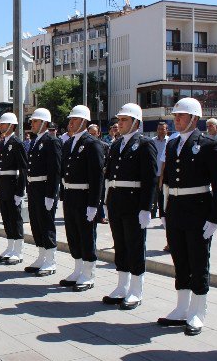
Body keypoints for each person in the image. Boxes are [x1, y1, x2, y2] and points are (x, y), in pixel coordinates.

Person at [157, 97, 217, 336]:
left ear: (194, 119)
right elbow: (165, 180)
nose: (176, 120)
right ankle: (181, 307)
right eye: (175, 116)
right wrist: (163, 210)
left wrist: (216, 217)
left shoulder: (209, 144)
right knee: (180, 259)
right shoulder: (172, 143)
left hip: (198, 210)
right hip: (176, 208)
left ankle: (198, 311)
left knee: (198, 261)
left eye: (181, 116)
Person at [102, 104, 157, 310]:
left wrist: (146, 208)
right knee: (120, 244)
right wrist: (107, 201)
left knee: (135, 245)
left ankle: (136, 289)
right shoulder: (116, 145)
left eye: (124, 120)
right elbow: (109, 176)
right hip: (117, 200)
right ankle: (122, 286)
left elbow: (150, 178)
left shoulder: (145, 144)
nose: (120, 123)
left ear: (136, 122)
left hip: (134, 202)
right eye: (119, 119)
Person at [59, 105, 105, 290]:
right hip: (70, 195)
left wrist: (94, 204)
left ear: (84, 122)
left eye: (75, 120)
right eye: (70, 120)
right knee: (73, 234)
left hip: (85, 196)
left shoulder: (92, 143)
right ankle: (78, 269)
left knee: (86, 235)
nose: (70, 123)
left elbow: (97, 177)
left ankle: (88, 273)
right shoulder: (69, 143)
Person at [23, 108, 61, 276]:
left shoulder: (51, 141)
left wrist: (51, 195)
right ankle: (41, 256)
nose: (32, 123)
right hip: (34, 188)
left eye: (35, 121)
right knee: (36, 223)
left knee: (46, 224)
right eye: (32, 121)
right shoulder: (36, 141)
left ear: (45, 123)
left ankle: (50, 260)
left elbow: (55, 171)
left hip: (44, 188)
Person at [0, 112, 28, 265]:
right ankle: (10, 247)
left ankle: (18, 250)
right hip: (3, 184)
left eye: (3, 124)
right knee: (6, 217)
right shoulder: (2, 143)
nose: (0, 126)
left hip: (13, 184)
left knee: (15, 218)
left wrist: (20, 191)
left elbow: (23, 168)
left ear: (11, 126)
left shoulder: (17, 143)